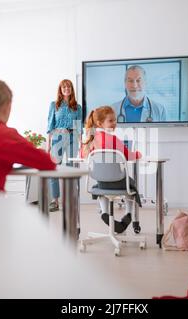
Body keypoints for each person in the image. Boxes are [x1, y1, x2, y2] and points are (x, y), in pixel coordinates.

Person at [81, 106, 142, 234]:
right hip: (118, 181)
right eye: (110, 121)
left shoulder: (90, 140)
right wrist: (138, 154)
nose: (114, 123)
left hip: (101, 183)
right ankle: (129, 214)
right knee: (131, 186)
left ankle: (104, 212)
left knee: (101, 187)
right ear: (99, 123)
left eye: (115, 120)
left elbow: (82, 155)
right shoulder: (114, 140)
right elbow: (129, 156)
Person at [47, 79, 82, 212]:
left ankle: (71, 199)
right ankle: (54, 200)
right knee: (53, 168)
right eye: (64, 87)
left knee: (71, 169)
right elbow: (50, 125)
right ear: (60, 90)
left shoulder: (77, 107)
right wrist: (48, 145)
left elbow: (79, 127)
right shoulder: (54, 105)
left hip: (73, 137)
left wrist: (82, 143)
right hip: (57, 136)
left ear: (72, 89)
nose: (66, 89)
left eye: (68, 87)